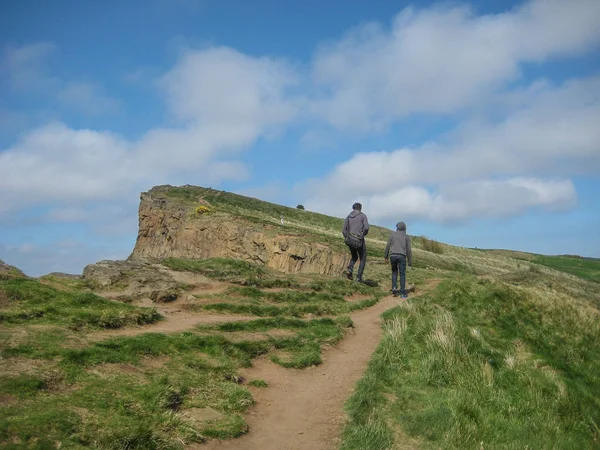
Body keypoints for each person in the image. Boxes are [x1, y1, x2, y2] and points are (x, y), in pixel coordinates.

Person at [342, 202, 369, 282]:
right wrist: (362, 235)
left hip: (350, 240)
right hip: (359, 240)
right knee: (362, 258)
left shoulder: (348, 217)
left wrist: (348, 237)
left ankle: (350, 270)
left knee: (354, 256)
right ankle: (358, 277)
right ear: (360, 208)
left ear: (353, 208)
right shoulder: (363, 216)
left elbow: (344, 230)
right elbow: (366, 228)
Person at [384, 221, 412, 298]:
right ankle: (403, 292)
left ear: (397, 227)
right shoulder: (406, 237)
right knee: (402, 274)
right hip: (402, 256)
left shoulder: (392, 235)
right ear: (404, 228)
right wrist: (410, 261)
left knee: (394, 271)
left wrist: (385, 256)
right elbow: (409, 250)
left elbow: (387, 246)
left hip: (392, 255)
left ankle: (394, 288)